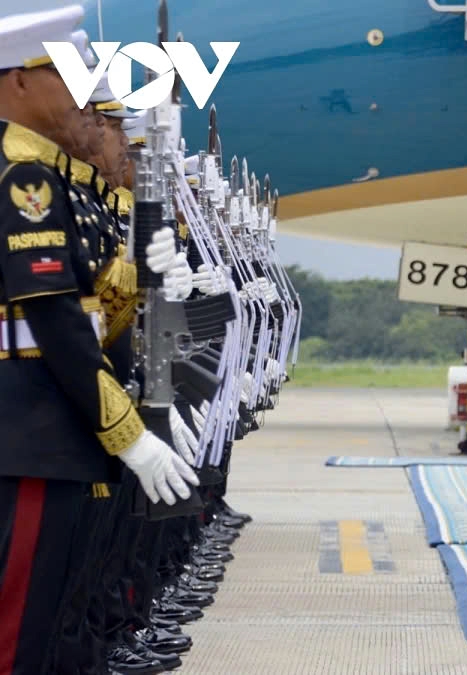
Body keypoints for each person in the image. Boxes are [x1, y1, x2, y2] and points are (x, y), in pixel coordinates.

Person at [0, 7, 198, 673]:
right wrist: (127, 429)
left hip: (56, 429)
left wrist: (141, 269)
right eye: (62, 75)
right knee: (17, 634)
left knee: (48, 624)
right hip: (29, 430)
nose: (81, 100)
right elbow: (52, 321)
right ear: (17, 83)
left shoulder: (47, 177)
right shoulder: (22, 179)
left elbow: (93, 316)